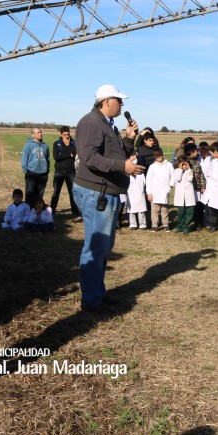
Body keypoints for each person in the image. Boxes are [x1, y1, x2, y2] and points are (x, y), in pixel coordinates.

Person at [73, 84, 143, 312]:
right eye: (119, 100)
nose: (122, 104)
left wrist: (129, 138)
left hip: (105, 191)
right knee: (95, 248)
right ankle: (91, 301)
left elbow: (113, 154)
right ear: (105, 101)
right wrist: (123, 166)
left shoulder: (106, 125)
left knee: (103, 247)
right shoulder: (91, 122)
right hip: (97, 192)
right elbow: (89, 157)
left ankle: (98, 294)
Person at [50, 125, 79, 220]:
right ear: (61, 134)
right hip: (59, 172)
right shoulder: (56, 144)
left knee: (72, 192)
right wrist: (68, 155)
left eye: (68, 134)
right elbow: (56, 157)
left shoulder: (74, 143)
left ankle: (75, 211)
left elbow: (74, 154)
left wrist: (64, 155)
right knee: (56, 192)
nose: (67, 136)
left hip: (71, 172)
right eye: (65, 134)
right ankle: (52, 210)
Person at [146, 147, 173, 231]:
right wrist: (149, 193)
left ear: (162, 154)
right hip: (155, 192)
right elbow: (148, 180)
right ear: (154, 156)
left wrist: (170, 186)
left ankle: (165, 225)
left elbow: (173, 176)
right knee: (155, 210)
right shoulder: (152, 166)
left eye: (160, 155)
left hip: (165, 191)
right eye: (156, 156)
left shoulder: (169, 165)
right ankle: (154, 225)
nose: (159, 157)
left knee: (164, 210)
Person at [21, 127, 50, 205]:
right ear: (33, 135)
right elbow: (24, 158)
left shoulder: (45, 146)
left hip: (43, 174)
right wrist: (25, 170)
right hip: (31, 173)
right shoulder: (28, 145)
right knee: (30, 193)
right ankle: (28, 212)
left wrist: (47, 169)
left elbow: (48, 158)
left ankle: (37, 211)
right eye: (38, 133)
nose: (40, 134)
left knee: (40, 195)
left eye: (41, 132)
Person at [171, 156, 197, 234]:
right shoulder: (176, 171)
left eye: (186, 164)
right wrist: (180, 169)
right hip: (180, 195)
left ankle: (187, 226)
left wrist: (189, 169)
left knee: (189, 211)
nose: (184, 166)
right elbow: (178, 178)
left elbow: (190, 178)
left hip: (189, 194)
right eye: (183, 164)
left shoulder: (190, 171)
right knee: (181, 212)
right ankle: (179, 226)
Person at [124, 154, 148, 229]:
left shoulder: (141, 174)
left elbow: (144, 183)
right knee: (131, 211)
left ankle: (143, 224)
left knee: (141, 210)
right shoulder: (127, 173)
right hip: (131, 194)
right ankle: (133, 224)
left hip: (140, 193)